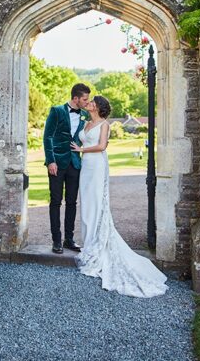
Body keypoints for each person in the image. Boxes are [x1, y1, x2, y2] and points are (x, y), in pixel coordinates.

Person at [71, 95, 168, 298]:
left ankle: (96, 246)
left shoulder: (104, 124)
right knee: (87, 204)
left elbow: (102, 146)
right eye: (87, 102)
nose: (88, 103)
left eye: (91, 102)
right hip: (86, 167)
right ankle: (88, 244)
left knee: (97, 204)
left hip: (96, 164)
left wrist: (81, 149)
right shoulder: (86, 122)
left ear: (98, 107)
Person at [43, 83, 90, 254]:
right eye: (85, 99)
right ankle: (56, 240)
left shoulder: (85, 115)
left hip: (75, 164)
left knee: (72, 202)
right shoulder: (57, 111)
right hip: (57, 163)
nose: (87, 102)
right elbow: (47, 137)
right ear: (75, 98)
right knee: (55, 201)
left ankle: (69, 239)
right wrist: (51, 161)